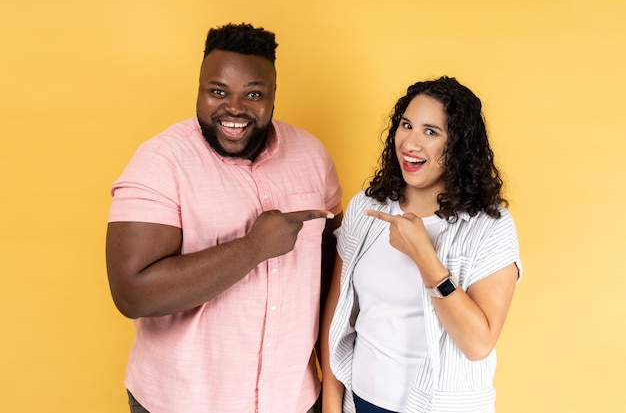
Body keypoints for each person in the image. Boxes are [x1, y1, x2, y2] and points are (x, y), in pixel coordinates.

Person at [105, 23, 343, 413]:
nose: (234, 108)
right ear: (199, 89)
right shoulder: (161, 163)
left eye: (253, 94)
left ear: (272, 96)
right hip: (182, 403)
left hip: (294, 400)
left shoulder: (313, 157)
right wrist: (253, 248)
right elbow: (132, 293)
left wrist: (332, 386)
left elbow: (330, 274)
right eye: (218, 92)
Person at [320, 76, 522, 413]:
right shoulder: (366, 208)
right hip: (360, 401)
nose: (411, 143)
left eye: (431, 132)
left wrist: (425, 258)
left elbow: (478, 343)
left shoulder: (490, 227)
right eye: (406, 125)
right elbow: (338, 314)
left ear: (459, 145)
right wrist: (331, 403)